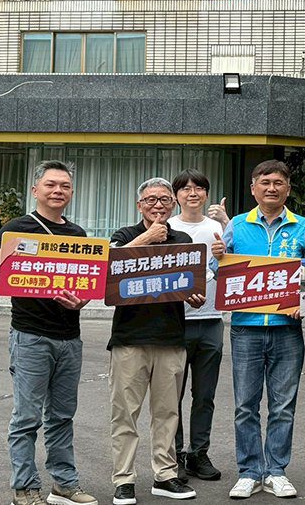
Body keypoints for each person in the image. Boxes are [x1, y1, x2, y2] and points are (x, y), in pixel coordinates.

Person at [0, 160, 99, 505]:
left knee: (62, 416)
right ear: (36, 190)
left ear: (71, 193)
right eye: (51, 185)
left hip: (70, 338)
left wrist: (80, 303)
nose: (58, 191)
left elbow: (85, 289)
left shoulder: (78, 236)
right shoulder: (17, 228)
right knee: (26, 417)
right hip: (30, 335)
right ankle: (25, 487)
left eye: (65, 186)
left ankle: (64, 483)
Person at [211, 160, 305, 499]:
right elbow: (216, 270)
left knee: (284, 405)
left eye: (279, 182)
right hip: (246, 328)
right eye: (265, 182)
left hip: (287, 328)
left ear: (288, 188)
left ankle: (276, 470)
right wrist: (217, 255)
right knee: (246, 405)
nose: (272, 188)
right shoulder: (237, 226)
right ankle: (250, 470)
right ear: (253, 187)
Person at [107, 178, 206, 504]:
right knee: (125, 414)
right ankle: (124, 479)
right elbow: (110, 271)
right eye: (151, 200)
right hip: (129, 339)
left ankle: (165, 475)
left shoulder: (183, 239)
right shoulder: (123, 235)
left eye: (164, 199)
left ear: (173, 204)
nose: (158, 205)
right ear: (140, 205)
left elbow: (191, 285)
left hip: (171, 337)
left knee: (167, 414)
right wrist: (147, 237)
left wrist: (194, 297)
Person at [168, 169, 226, 483]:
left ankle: (198, 453)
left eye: (199, 188)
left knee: (205, 395)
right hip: (175, 322)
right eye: (186, 188)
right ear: (176, 195)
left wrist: (225, 250)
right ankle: (174, 455)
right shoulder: (167, 227)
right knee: (171, 395)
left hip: (211, 319)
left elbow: (231, 268)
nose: (193, 193)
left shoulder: (218, 227)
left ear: (206, 193)